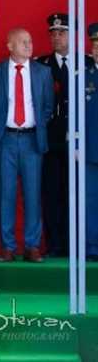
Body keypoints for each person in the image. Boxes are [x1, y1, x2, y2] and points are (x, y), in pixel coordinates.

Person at [0, 28, 54, 263]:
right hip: (5, 139)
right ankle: (7, 246)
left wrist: (35, 125)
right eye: (23, 42)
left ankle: (32, 245)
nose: (29, 45)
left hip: (31, 139)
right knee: (5, 193)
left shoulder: (43, 72)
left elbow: (48, 106)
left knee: (32, 194)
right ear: (9, 46)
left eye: (30, 41)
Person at [37, 13, 70, 256]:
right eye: (54, 33)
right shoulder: (41, 65)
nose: (57, 37)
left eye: (62, 32)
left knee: (77, 194)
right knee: (51, 193)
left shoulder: (86, 63)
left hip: (79, 141)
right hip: (50, 140)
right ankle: (55, 244)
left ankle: (76, 243)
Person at [85, 22, 98, 262]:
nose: (97, 49)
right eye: (95, 45)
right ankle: (93, 246)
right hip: (90, 148)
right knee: (90, 200)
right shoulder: (82, 75)